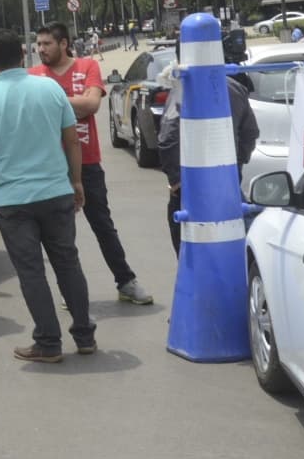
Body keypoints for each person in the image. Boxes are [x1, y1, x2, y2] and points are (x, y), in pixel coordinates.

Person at [0, 28, 95, 363]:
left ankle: (49, 344)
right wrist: (76, 182)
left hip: (11, 201)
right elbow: (72, 140)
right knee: (68, 263)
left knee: (31, 271)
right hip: (56, 192)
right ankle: (85, 336)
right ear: (24, 55)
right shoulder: (50, 89)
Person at [30, 22, 153, 305]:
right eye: (39, 44)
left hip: (88, 162)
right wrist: (77, 100)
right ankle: (70, 290)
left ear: (63, 44)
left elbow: (92, 105)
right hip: (51, 166)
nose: (41, 49)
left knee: (102, 225)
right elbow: (81, 103)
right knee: (61, 234)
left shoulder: (87, 67)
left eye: (47, 43)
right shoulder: (34, 74)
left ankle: (126, 281)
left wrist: (52, 100)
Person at [157, 47, 259, 257]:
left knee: (192, 255)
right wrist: (235, 167)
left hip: (191, 187)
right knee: (232, 250)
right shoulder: (234, 88)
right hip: (227, 184)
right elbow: (250, 133)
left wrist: (177, 181)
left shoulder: (182, 89)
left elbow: (167, 138)